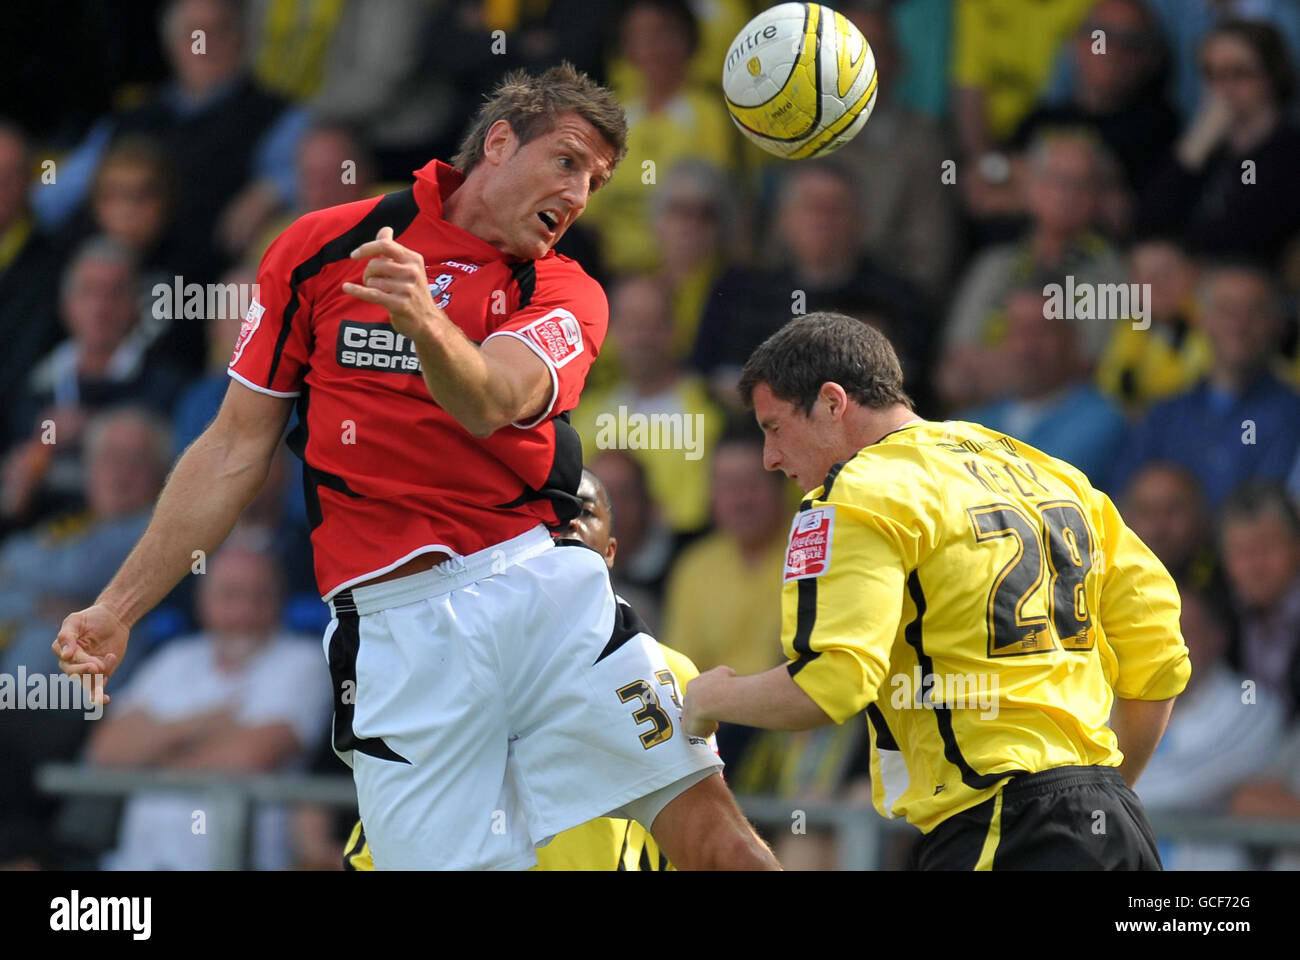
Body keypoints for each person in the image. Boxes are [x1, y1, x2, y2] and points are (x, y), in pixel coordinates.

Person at [53, 64, 775, 872]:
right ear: (498, 142)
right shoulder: (320, 247)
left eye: (598, 181)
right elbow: (232, 447)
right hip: (398, 631)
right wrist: (118, 608)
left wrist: (425, 318)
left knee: (716, 837)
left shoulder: (568, 290)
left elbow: (492, 399)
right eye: (567, 162)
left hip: (543, 590)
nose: (579, 194)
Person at [683, 312, 1190, 870]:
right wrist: (1100, 795)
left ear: (832, 402)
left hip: (997, 828)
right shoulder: (1045, 470)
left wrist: (710, 698)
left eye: (774, 428)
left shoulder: (855, 490)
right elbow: (1159, 657)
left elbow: (830, 686)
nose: (769, 459)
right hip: (1115, 828)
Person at [340, 468, 715, 871]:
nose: (565, 523)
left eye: (584, 512)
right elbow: (406, 804)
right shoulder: (458, 660)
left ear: (610, 550)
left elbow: (694, 814)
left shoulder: (670, 668)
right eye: (549, 513)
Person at [89, 544, 331, 870]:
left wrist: (153, 750)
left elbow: (251, 757)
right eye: (231, 595)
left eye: (261, 596)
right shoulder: (174, 659)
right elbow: (106, 750)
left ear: (281, 600)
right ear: (204, 600)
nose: (245, 611)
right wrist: (202, 724)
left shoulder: (303, 661)